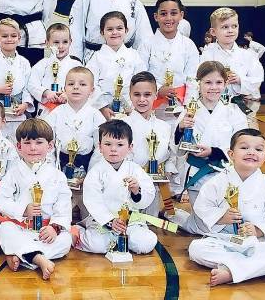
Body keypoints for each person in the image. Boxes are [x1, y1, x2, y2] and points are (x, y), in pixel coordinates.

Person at [188, 129, 265, 286]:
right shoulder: (218, 181)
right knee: (196, 248)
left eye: (258, 149)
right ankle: (251, 267)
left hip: (254, 243)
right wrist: (221, 217)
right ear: (231, 154)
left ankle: (230, 272)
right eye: (244, 148)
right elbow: (202, 206)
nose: (251, 152)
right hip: (223, 241)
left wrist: (258, 229)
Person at [169, 61, 248, 234]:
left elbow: (243, 144)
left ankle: (184, 218)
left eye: (218, 82)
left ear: (226, 84)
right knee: (207, 228)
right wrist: (180, 128)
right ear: (199, 83)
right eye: (208, 82)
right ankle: (184, 220)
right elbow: (176, 148)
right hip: (197, 175)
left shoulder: (234, 112)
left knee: (229, 223)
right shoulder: (189, 111)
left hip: (225, 174)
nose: (213, 87)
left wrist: (214, 151)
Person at [0, 119, 72, 280]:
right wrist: (23, 210)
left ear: (50, 146)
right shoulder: (13, 173)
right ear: (19, 146)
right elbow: (2, 200)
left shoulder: (58, 176)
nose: (33, 148)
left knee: (66, 241)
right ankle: (38, 259)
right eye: (27, 142)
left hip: (46, 230)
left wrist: (54, 228)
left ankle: (20, 254)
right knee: (5, 229)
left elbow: (63, 205)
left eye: (39, 142)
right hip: (21, 227)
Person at [73, 120, 157, 255]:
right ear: (99, 147)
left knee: (146, 243)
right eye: (107, 144)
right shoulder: (96, 172)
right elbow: (92, 201)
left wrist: (137, 191)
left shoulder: (135, 170)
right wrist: (110, 221)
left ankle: (119, 239)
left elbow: (148, 195)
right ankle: (79, 231)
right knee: (98, 246)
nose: (113, 149)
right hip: (103, 222)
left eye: (119, 144)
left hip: (131, 222)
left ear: (130, 147)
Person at [44, 66, 103, 219]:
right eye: (71, 84)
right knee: (59, 209)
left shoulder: (95, 115)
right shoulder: (55, 113)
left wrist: (91, 174)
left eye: (82, 84)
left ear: (92, 90)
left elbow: (101, 148)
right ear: (64, 88)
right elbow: (48, 144)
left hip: (86, 166)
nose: (76, 87)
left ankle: (85, 225)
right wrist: (52, 170)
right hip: (60, 165)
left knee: (89, 212)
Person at [138, 0, 199, 124]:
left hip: (180, 106)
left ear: (181, 15)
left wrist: (189, 106)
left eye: (173, 13)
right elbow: (141, 73)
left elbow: (192, 78)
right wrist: (158, 89)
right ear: (156, 17)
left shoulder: (188, 45)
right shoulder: (146, 44)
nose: (169, 18)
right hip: (151, 105)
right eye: (163, 14)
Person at [200, 8, 263, 128]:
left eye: (234, 26)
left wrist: (240, 80)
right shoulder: (207, 54)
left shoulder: (248, 55)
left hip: (240, 104)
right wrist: (217, 80)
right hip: (212, 105)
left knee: (247, 136)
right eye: (225, 27)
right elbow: (198, 79)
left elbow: (257, 80)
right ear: (213, 32)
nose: (230, 31)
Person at [122, 72, 173, 216]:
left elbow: (168, 156)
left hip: (154, 185)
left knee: (149, 228)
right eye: (137, 94)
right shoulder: (122, 125)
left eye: (147, 94)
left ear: (156, 95)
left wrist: (167, 170)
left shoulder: (165, 127)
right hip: (128, 185)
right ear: (130, 95)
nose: (142, 99)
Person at [86, 11, 146, 118]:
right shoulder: (96, 58)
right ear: (102, 32)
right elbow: (90, 84)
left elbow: (142, 82)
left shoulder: (134, 55)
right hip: (104, 111)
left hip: (131, 108)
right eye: (110, 29)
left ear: (126, 30)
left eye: (119, 28)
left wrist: (134, 105)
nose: (115, 32)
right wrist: (102, 107)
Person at [27, 23, 81, 117]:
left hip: (69, 109)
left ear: (70, 42)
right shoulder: (42, 64)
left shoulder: (76, 65)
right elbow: (32, 84)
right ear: (47, 43)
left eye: (65, 42)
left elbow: (82, 86)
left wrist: (69, 94)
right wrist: (46, 92)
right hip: (46, 110)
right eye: (56, 42)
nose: (60, 46)